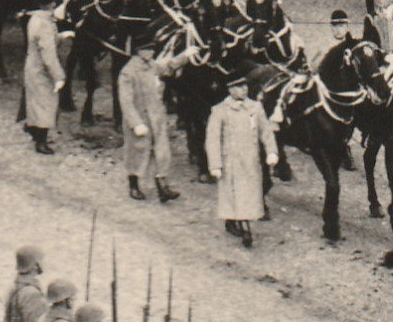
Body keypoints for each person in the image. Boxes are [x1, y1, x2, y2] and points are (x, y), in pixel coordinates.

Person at [205, 75, 279, 248]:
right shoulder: (220, 110)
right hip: (230, 160)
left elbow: (266, 132)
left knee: (247, 194)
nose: (243, 89)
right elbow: (213, 138)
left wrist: (271, 151)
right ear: (230, 90)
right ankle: (245, 230)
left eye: (244, 85)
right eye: (238, 86)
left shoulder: (255, 107)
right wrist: (215, 163)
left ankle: (235, 221)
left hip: (251, 161)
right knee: (233, 193)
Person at [117, 39, 189, 203]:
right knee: (137, 152)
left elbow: (168, 65)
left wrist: (186, 55)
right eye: (148, 49)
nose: (152, 53)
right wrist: (136, 123)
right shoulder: (128, 72)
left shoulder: (151, 66)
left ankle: (162, 186)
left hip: (156, 117)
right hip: (140, 119)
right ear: (139, 52)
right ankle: (133, 185)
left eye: (152, 50)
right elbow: (126, 102)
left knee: (161, 151)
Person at [21, 6, 64, 154]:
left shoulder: (35, 19)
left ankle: (32, 129)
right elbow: (48, 54)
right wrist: (58, 76)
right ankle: (41, 142)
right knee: (46, 103)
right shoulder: (45, 24)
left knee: (35, 101)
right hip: (42, 70)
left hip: (32, 66)